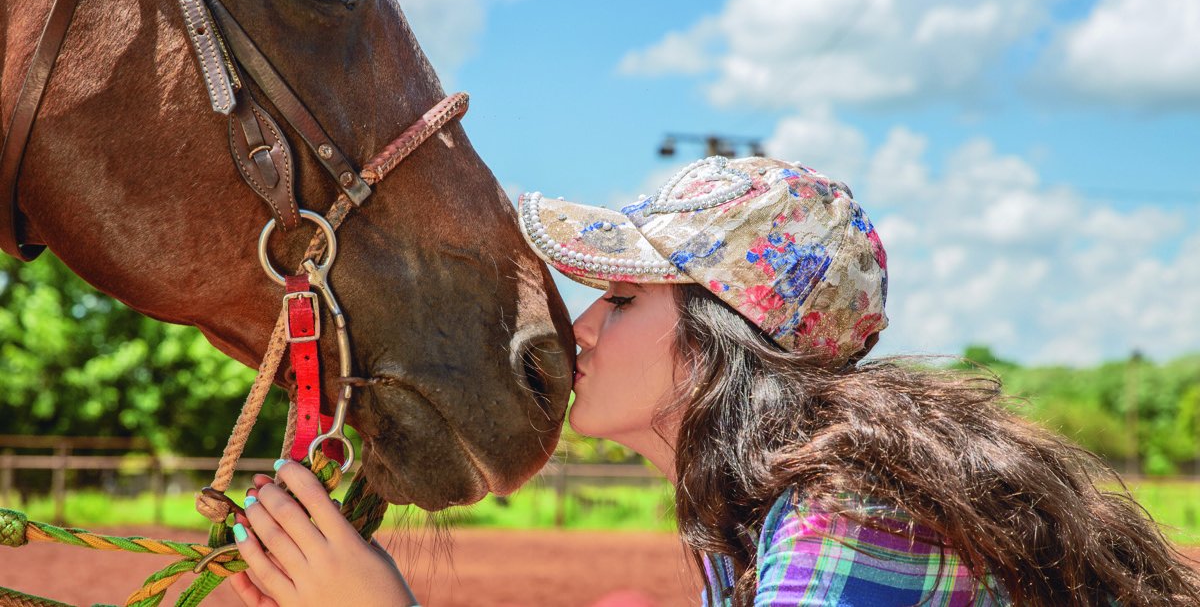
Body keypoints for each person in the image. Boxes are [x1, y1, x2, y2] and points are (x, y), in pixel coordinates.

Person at [229, 156, 1200, 606]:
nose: (582, 331)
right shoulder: (750, 519)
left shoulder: (851, 515)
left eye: (619, 298)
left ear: (723, 334)